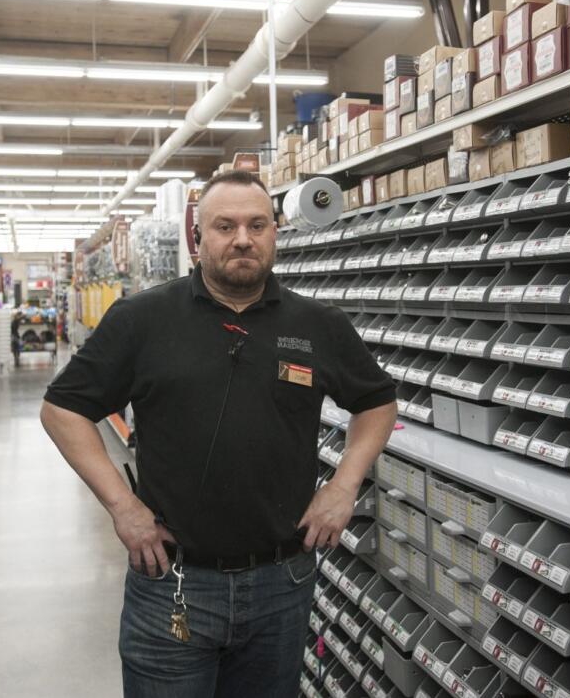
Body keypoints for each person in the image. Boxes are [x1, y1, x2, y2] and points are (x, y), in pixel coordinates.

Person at [40, 170, 396, 698]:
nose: (243, 239)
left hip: (282, 581)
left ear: (276, 233)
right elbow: (62, 409)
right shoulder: (142, 319)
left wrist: (343, 486)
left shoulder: (318, 324)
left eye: (257, 225)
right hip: (173, 582)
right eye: (224, 226)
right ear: (197, 238)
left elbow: (377, 403)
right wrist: (123, 507)